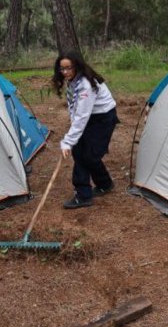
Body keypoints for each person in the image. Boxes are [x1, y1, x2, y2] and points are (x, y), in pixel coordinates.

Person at [51, 51, 119, 209]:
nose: (65, 72)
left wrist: (68, 141)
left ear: (77, 65)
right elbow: (76, 110)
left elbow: (82, 116)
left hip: (103, 118)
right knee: (80, 151)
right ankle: (104, 184)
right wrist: (73, 137)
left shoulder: (86, 85)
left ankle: (83, 195)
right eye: (62, 69)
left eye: (69, 68)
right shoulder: (73, 80)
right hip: (90, 117)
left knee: (88, 155)